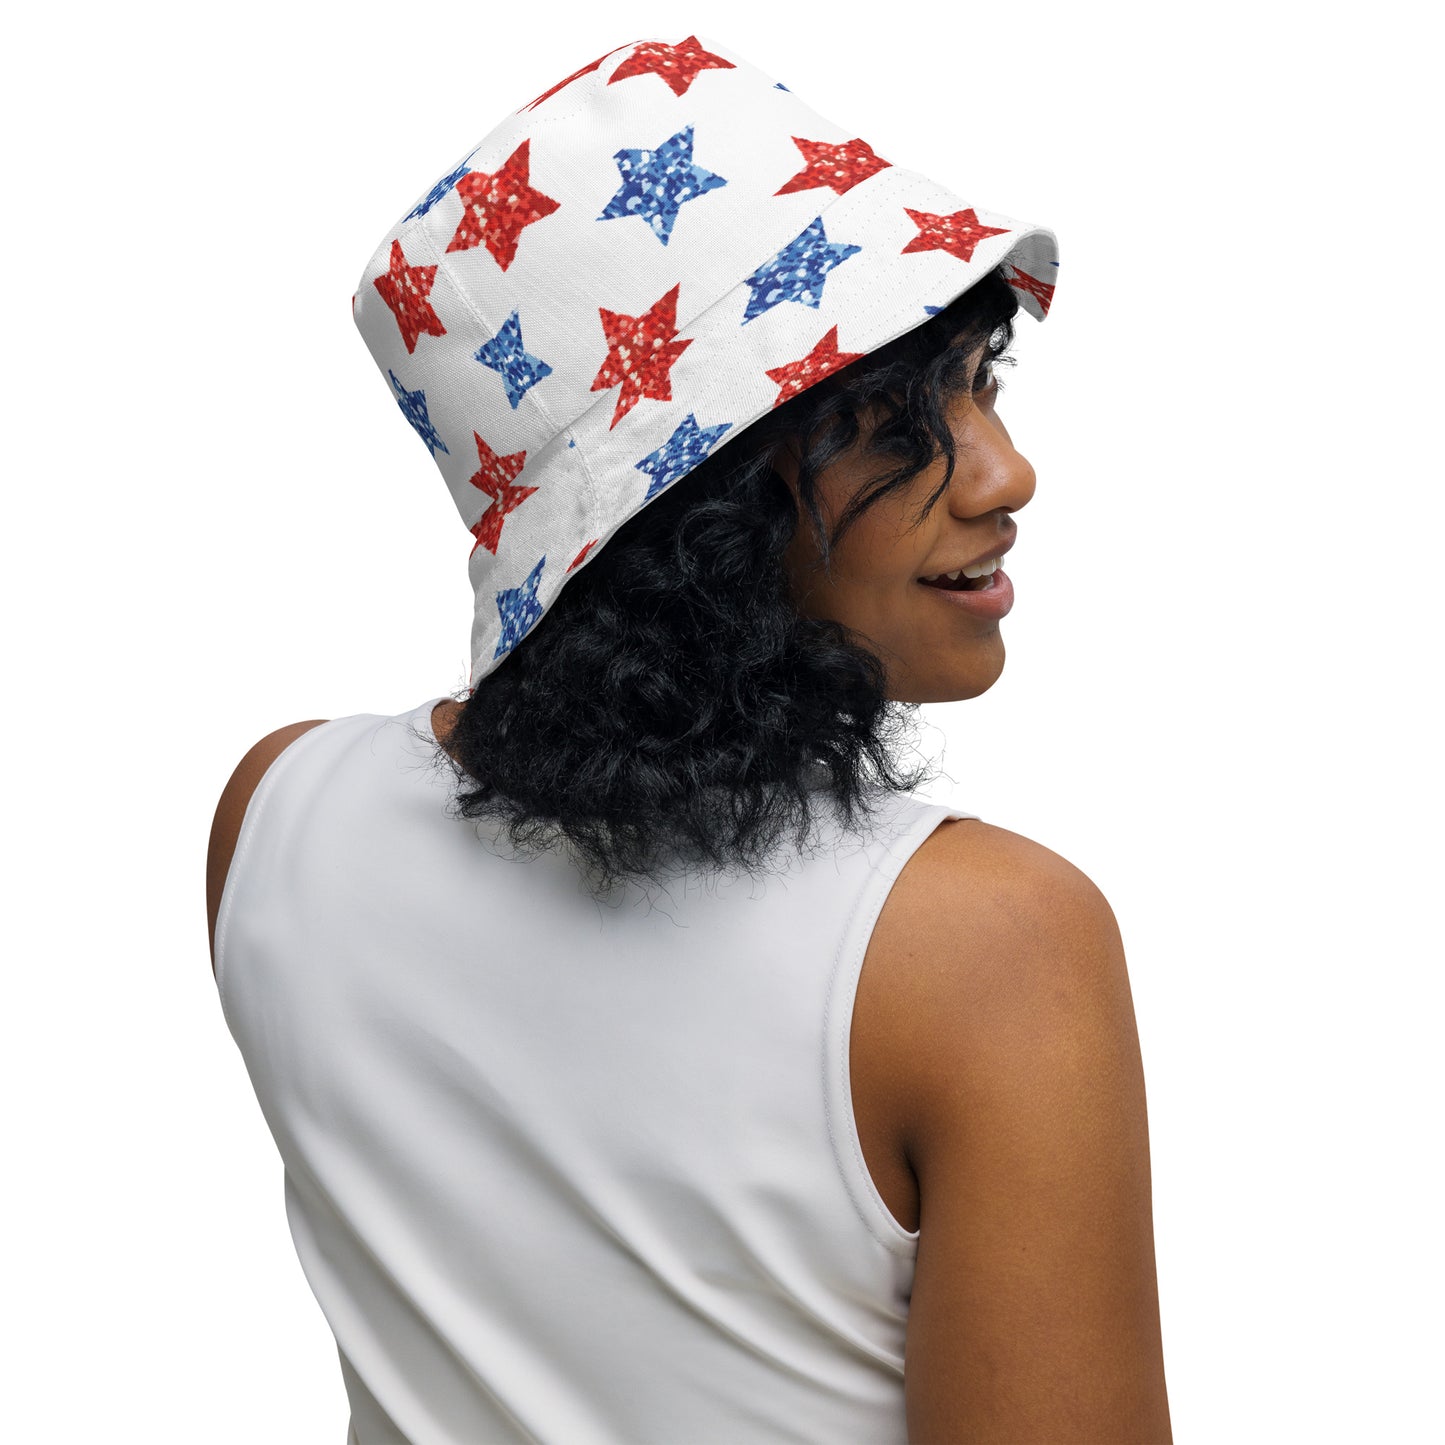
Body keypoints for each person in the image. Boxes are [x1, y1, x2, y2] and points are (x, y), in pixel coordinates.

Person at [207, 33, 1172, 1444]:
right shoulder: (987, 944)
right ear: (695, 509)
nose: (1005, 473)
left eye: (985, 383)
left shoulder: (279, 815)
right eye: (894, 422)